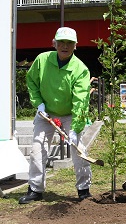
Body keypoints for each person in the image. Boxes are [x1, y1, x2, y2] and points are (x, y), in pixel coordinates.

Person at [19, 27, 92, 204]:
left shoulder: (80, 69)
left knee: (78, 150)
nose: (64, 46)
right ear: (54, 43)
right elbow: (31, 81)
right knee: (37, 148)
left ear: (76, 45)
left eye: (69, 43)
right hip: (46, 113)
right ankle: (35, 189)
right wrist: (39, 103)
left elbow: (80, 101)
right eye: (61, 42)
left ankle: (83, 190)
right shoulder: (42, 60)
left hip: (70, 115)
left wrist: (75, 128)